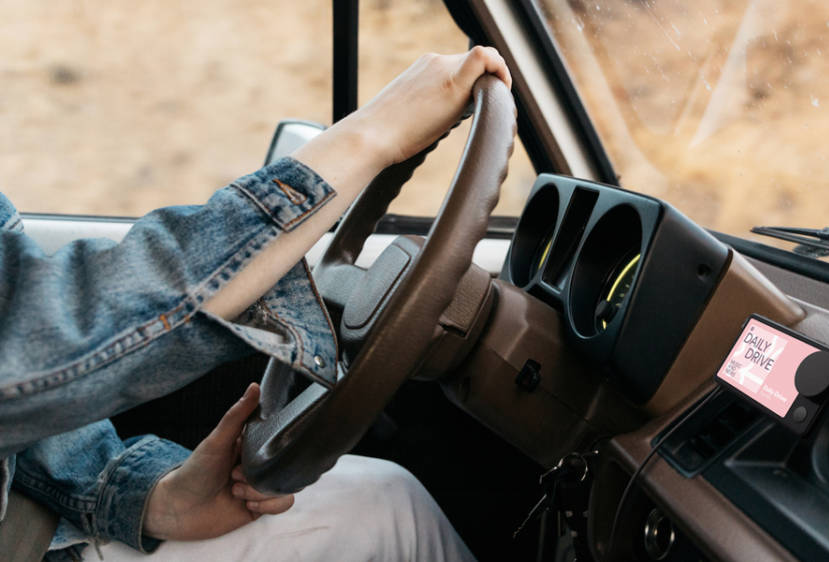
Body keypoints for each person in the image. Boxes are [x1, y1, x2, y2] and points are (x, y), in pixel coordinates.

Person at [0, 46, 511, 560]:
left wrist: (144, 495)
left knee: (386, 495)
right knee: (392, 513)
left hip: (31, 522)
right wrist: (371, 134)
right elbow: (32, 338)